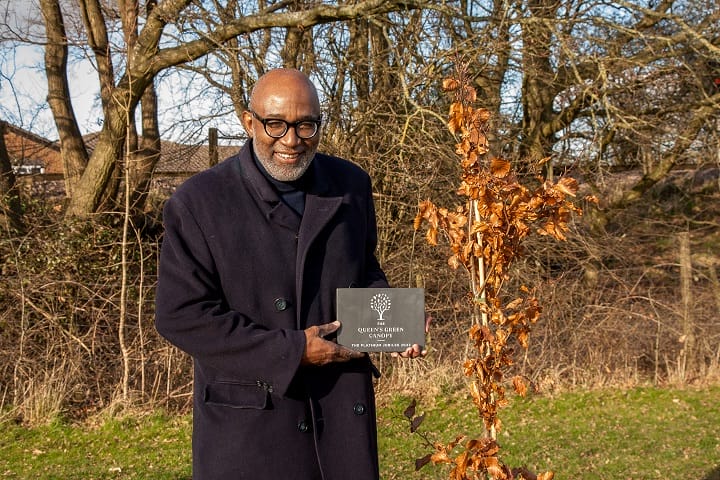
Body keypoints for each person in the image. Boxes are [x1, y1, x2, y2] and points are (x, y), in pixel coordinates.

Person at [155, 68, 423, 480]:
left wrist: (395, 320)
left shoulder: (351, 185)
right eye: (275, 124)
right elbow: (182, 315)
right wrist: (292, 351)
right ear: (249, 122)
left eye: (305, 125)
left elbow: (364, 269)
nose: (292, 140)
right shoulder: (198, 202)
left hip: (340, 417)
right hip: (251, 427)